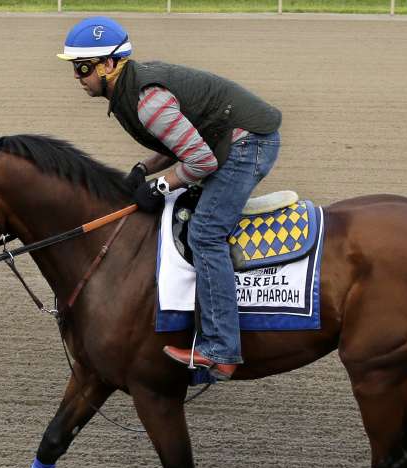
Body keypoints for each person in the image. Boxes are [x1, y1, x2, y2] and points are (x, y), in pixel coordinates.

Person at [58, 17, 281, 381]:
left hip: (248, 145)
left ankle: (221, 349)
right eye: (74, 67)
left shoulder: (147, 102)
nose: (76, 76)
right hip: (220, 142)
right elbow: (177, 142)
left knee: (205, 232)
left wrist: (160, 186)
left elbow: (200, 160)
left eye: (82, 67)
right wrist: (144, 169)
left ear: (110, 65)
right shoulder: (131, 94)